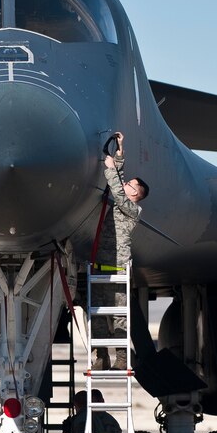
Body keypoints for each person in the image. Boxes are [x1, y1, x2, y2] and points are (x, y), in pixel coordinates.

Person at [93, 131, 149, 370]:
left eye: (130, 185)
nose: (125, 184)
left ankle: (122, 357)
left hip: (117, 269)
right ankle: (101, 356)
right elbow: (119, 183)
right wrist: (119, 153)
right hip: (102, 267)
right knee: (96, 315)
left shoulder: (132, 210)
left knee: (118, 317)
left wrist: (109, 169)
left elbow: (117, 189)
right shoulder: (124, 203)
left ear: (135, 194)